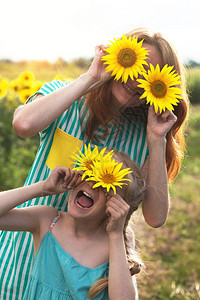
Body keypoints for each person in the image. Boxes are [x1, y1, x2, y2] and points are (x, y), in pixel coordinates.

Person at [0, 27, 189, 298]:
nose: (137, 80)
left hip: (90, 276)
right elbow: (24, 124)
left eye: (150, 76)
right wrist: (91, 78)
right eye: (134, 64)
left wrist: (157, 139)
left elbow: (155, 217)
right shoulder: (69, 97)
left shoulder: (145, 136)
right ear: (118, 58)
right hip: (25, 249)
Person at [0, 151, 146, 299]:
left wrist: (115, 234)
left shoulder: (114, 244)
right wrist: (42, 187)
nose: (92, 184)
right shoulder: (48, 220)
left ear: (119, 207)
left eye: (106, 184)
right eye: (89, 173)